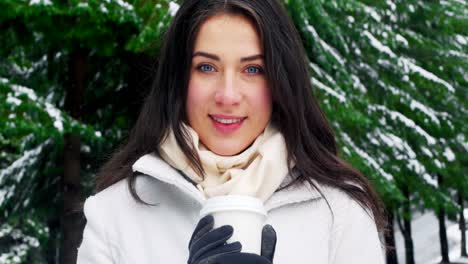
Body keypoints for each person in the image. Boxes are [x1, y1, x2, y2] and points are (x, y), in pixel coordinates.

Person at [77, 0, 387, 263]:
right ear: (179, 80)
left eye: (252, 69)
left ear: (280, 82)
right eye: (206, 68)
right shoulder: (114, 214)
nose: (228, 95)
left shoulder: (338, 211)